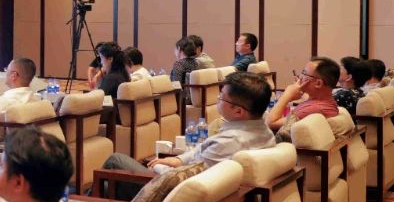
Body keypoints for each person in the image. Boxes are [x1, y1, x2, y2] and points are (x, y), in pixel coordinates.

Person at [101, 72, 275, 185]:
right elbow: (199, 158)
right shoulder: (264, 132)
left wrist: (158, 167)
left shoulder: (229, 142)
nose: (217, 99)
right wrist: (179, 159)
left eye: (222, 97)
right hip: (191, 183)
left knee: (116, 161)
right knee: (112, 185)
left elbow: (187, 179)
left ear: (238, 111)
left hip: (175, 194)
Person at [268, 57, 341, 133]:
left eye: (304, 73)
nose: (300, 76)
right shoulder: (325, 102)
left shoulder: (314, 109)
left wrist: (287, 95)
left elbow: (270, 123)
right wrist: (301, 90)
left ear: (318, 83)